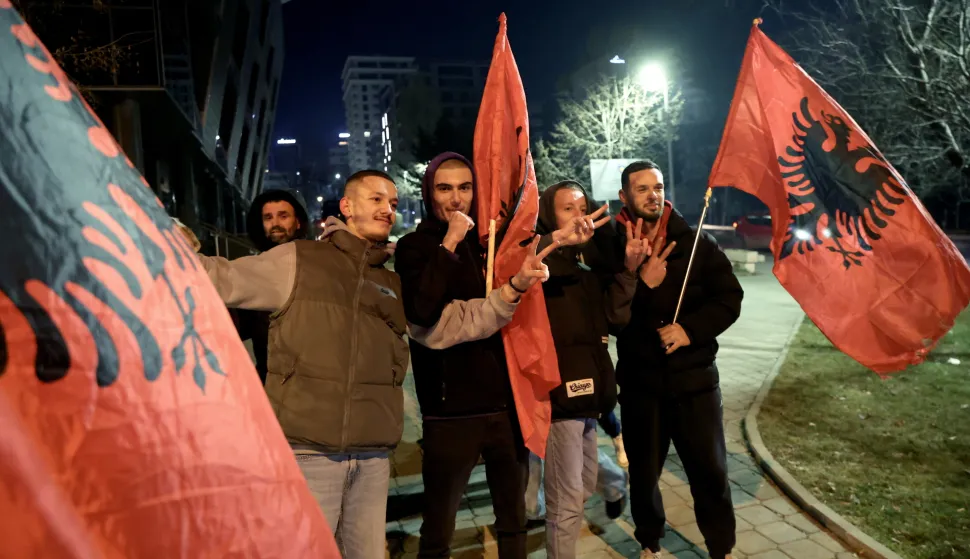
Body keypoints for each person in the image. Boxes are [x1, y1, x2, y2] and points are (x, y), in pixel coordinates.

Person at [186, 170, 545, 559]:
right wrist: (158, 238)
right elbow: (218, 278)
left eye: (392, 203)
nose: (387, 209)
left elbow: (454, 323)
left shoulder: (392, 284)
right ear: (347, 206)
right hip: (310, 453)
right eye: (375, 199)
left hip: (373, 458)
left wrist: (515, 287)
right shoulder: (298, 259)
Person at [395, 153, 600, 559]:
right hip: (449, 413)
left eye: (465, 188)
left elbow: (528, 261)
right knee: (439, 527)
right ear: (428, 192)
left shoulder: (490, 244)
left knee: (513, 523)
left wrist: (559, 240)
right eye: (445, 188)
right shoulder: (414, 247)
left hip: (504, 407)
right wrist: (450, 241)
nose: (457, 199)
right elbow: (421, 309)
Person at [612, 161, 743, 559]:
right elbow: (609, 316)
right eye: (642, 189)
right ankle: (650, 541)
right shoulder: (610, 248)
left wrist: (690, 330)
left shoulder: (698, 243)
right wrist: (637, 279)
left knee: (711, 474)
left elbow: (729, 300)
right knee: (645, 475)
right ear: (624, 197)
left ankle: (721, 547)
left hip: (695, 384)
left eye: (658, 187)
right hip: (641, 385)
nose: (653, 195)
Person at [530, 180, 647, 557]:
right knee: (566, 502)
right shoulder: (541, 262)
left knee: (580, 486)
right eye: (567, 208)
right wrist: (554, 241)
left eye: (583, 207)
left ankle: (614, 485)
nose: (579, 217)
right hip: (559, 398)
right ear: (549, 216)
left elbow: (614, 318)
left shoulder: (589, 266)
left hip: (591, 398)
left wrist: (629, 271)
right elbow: (522, 266)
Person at [232, 189, 309, 385]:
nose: (275, 224)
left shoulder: (317, 265)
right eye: (268, 217)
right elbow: (237, 327)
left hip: (314, 387)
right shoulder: (251, 271)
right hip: (271, 383)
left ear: (298, 222)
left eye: (283, 216)